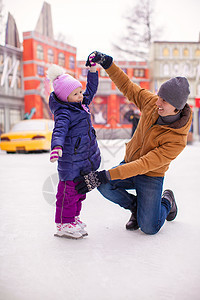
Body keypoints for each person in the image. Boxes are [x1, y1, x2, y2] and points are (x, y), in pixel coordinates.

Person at [74, 51, 192, 235]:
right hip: (129, 164)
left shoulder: (177, 139)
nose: (158, 102)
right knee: (104, 184)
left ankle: (167, 201)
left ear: (177, 108)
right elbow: (128, 86)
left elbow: (145, 164)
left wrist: (106, 174)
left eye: (164, 101)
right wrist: (108, 64)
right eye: (159, 96)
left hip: (150, 175)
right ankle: (136, 207)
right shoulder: (152, 103)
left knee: (149, 228)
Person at [47, 59, 101, 239]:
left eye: (80, 91)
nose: (81, 95)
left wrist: (92, 70)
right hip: (70, 161)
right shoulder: (64, 112)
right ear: (65, 97)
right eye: (76, 93)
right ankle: (63, 224)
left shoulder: (80, 104)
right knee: (68, 193)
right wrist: (56, 146)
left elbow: (91, 89)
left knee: (80, 190)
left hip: (83, 160)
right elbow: (59, 130)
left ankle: (73, 219)